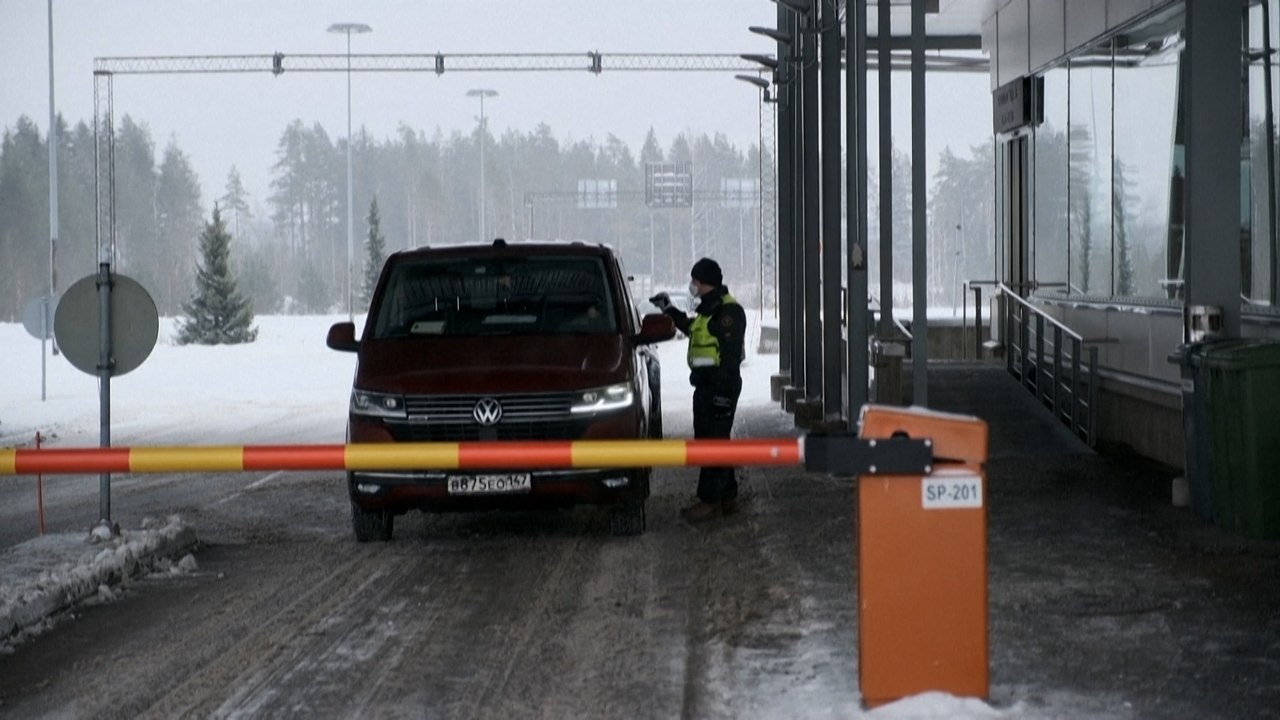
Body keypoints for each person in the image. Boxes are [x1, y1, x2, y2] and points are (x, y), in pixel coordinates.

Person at [650, 257, 747, 523]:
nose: (692, 285)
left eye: (695, 281)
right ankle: (727, 495)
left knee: (710, 442)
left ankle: (710, 500)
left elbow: (730, 356)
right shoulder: (708, 309)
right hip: (706, 384)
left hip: (720, 385)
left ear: (705, 282)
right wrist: (669, 309)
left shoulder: (729, 311)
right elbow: (692, 327)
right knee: (715, 439)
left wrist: (723, 394)